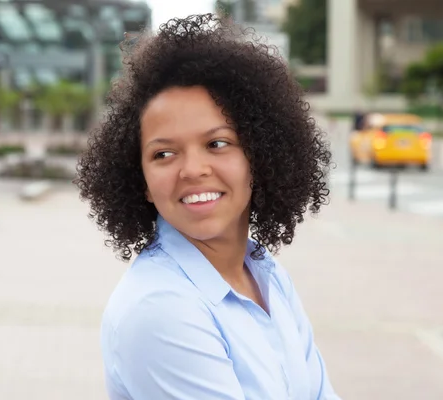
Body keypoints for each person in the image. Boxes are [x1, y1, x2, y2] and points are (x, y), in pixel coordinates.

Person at [75, 13, 341, 400]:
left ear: (259, 154)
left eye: (217, 144)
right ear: (143, 181)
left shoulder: (266, 274)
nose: (193, 170)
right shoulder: (160, 310)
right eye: (164, 153)